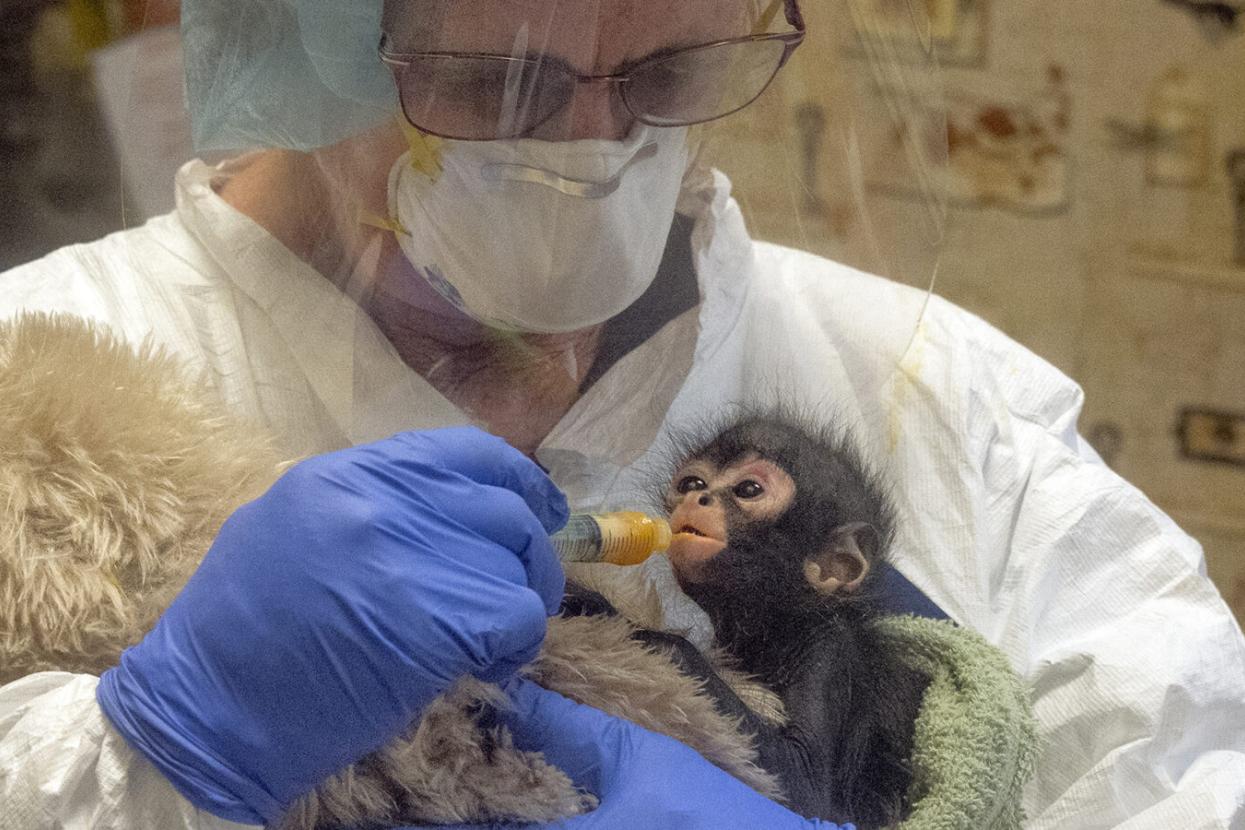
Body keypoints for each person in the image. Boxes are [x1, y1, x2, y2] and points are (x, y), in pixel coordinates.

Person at [1, 0, 1243, 828]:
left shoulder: (927, 387)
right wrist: (153, 755)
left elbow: (1185, 763)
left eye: (670, 69)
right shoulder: (36, 377)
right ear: (307, 38)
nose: (592, 149)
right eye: (496, 78)